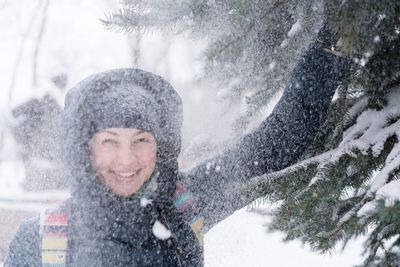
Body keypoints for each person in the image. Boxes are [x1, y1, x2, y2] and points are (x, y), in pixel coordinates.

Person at [4, 28, 348, 266]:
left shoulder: (184, 205)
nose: (127, 159)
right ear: (86, 148)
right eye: (110, 141)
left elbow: (279, 140)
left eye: (142, 140)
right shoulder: (41, 241)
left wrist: (330, 44)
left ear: (161, 147)